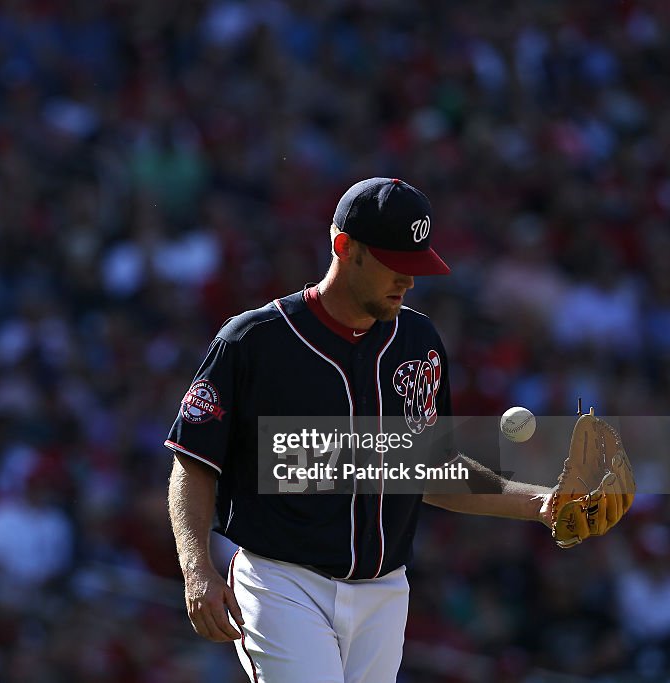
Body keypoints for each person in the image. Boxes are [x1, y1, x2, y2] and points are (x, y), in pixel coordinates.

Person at [165, 177, 560, 683]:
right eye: (397, 264)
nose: (409, 281)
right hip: (283, 582)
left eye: (417, 265)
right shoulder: (253, 341)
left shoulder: (419, 339)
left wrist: (541, 503)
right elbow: (193, 463)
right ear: (344, 248)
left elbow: (431, 470)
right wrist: (198, 570)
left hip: (385, 593)